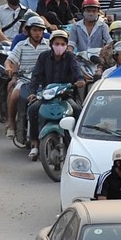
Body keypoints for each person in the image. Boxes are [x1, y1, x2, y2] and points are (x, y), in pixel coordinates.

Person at [27, 30, 84, 161]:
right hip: (46, 96)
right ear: (51, 44)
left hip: (64, 95)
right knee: (32, 109)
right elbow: (35, 76)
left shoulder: (70, 57)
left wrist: (80, 79)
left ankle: (77, 143)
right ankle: (34, 144)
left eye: (63, 44)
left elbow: (76, 71)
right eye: (57, 43)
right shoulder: (43, 57)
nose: (60, 46)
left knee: (77, 110)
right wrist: (32, 93)